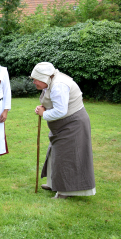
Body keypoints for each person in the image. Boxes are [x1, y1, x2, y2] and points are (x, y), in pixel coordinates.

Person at [31, 62, 96, 199]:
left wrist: (44, 114)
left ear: (45, 77)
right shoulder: (51, 82)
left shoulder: (59, 85)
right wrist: (43, 108)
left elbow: (61, 110)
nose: (34, 82)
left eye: (36, 79)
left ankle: (65, 191)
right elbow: (53, 103)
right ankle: (53, 182)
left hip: (73, 124)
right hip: (63, 124)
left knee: (67, 157)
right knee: (55, 153)